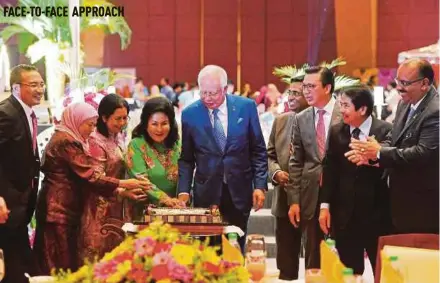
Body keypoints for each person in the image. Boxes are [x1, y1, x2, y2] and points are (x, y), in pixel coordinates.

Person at [34, 102, 149, 274]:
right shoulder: (66, 141)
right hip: (58, 209)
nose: (92, 129)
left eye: (94, 125)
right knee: (57, 263)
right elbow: (90, 176)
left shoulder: (73, 139)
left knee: (64, 262)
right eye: (89, 124)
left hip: (66, 208)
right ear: (76, 120)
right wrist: (123, 184)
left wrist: (122, 191)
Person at [177, 65, 268, 250]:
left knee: (235, 247)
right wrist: (184, 191)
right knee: (207, 250)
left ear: (225, 89)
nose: (207, 98)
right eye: (203, 93)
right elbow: (186, 159)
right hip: (206, 193)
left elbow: (258, 150)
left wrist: (259, 186)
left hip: (239, 190)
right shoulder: (189, 114)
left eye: (213, 93)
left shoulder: (246, 107)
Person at [347, 59, 439, 234]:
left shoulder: (436, 111)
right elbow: (393, 138)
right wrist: (370, 153)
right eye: (398, 81)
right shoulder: (405, 103)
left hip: (423, 205)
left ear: (425, 84)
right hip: (399, 201)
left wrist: (380, 152)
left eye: (405, 83)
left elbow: (423, 153)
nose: (398, 87)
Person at [319, 86, 392, 275]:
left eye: (345, 105)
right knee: (349, 272)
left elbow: (392, 164)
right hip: (345, 216)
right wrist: (324, 206)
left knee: (382, 271)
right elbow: (330, 170)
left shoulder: (385, 131)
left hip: (378, 216)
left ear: (362, 109)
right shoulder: (337, 132)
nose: (341, 110)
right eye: (340, 104)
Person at [286, 66, 341, 270]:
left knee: (341, 254)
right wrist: (293, 200)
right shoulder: (301, 118)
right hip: (310, 195)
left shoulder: (345, 113)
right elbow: (296, 162)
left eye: (311, 86)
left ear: (327, 88)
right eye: (304, 87)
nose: (305, 91)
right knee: (312, 257)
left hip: (340, 194)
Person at [77, 94, 136, 264]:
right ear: (104, 117)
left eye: (125, 118)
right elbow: (96, 180)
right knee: (98, 257)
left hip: (116, 205)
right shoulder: (96, 141)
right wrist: (123, 190)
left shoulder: (115, 136)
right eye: (118, 118)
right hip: (99, 209)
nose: (122, 122)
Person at [0, 64, 43, 283]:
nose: (40, 89)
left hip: (21, 202)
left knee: (18, 263)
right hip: (7, 203)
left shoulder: (27, 112)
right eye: (33, 85)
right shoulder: (5, 113)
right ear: (17, 88)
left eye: (41, 84)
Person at [267, 76, 308, 280]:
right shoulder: (281, 120)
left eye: (297, 93)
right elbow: (269, 154)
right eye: (289, 92)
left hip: (310, 197)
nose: (291, 97)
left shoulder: (320, 122)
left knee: (315, 260)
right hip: (283, 197)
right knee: (286, 263)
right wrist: (275, 172)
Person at [126, 97, 184, 220]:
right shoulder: (137, 145)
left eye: (164, 124)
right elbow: (141, 181)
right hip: (146, 214)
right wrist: (166, 200)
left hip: (176, 212)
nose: (159, 129)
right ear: (146, 124)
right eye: (154, 124)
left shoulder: (177, 145)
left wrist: (181, 200)